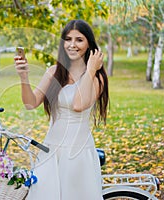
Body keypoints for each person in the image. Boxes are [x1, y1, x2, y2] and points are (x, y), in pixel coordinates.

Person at [14, 19, 109, 200]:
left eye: (79, 40)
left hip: (77, 153)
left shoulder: (97, 78)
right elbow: (30, 103)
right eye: (68, 39)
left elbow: (78, 105)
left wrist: (89, 71)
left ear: (89, 43)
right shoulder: (54, 72)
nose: (72, 44)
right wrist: (23, 76)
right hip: (50, 150)